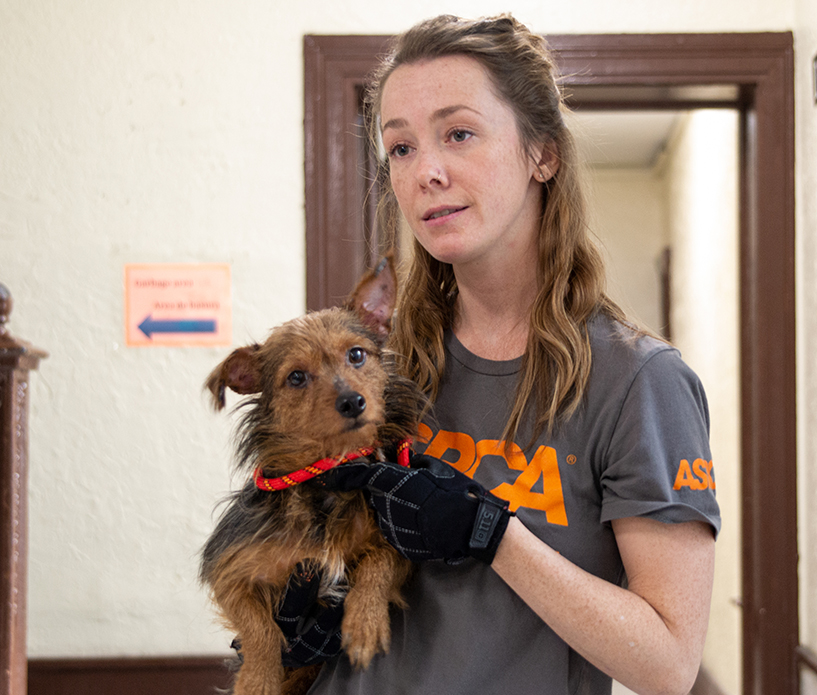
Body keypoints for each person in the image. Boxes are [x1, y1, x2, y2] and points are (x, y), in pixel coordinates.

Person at [293, 14, 720, 695]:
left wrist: (491, 534)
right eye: (399, 148)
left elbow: (667, 662)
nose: (426, 172)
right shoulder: (377, 360)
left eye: (458, 133)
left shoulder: (638, 381)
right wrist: (302, 607)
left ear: (541, 153)